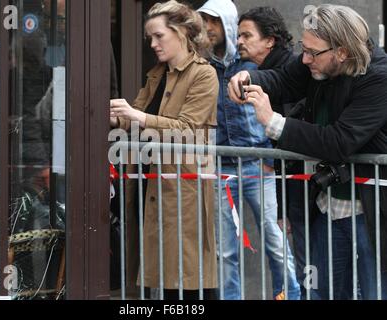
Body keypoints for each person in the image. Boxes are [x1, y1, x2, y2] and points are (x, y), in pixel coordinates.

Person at [229, 4, 387, 299]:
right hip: (327, 207)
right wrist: (248, 80)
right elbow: (285, 80)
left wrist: (273, 122)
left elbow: (339, 141)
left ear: (341, 52)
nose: (305, 58)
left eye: (313, 53)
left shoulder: (379, 77)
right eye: (304, 48)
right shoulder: (316, 61)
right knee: (322, 292)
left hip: (371, 213)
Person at [110, 0, 218, 299]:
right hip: (150, 181)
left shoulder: (204, 74)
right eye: (150, 38)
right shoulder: (157, 73)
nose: (153, 44)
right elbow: (137, 116)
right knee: (157, 271)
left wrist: (137, 116)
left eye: (159, 36)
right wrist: (116, 117)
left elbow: (189, 130)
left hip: (182, 188)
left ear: (182, 33)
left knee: (186, 277)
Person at [198, 0, 300, 300]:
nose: (206, 28)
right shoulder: (206, 66)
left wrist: (271, 157)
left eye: (212, 21)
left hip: (259, 164)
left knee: (275, 241)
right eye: (203, 21)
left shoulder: (259, 65)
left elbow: (284, 111)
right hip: (221, 167)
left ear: (226, 23)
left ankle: (290, 297)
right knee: (225, 249)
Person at [237, 6, 307, 298]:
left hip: (305, 184)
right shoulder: (260, 71)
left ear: (270, 40)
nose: (239, 41)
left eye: (246, 35)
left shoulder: (292, 72)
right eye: (238, 35)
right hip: (288, 183)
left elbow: (292, 138)